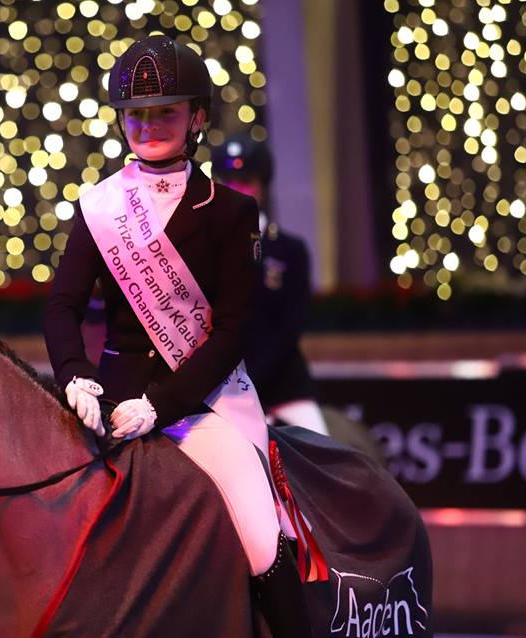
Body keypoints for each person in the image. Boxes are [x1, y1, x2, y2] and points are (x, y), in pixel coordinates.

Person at [44, 34, 312, 637]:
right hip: (109, 403)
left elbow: (235, 329)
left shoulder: (228, 211)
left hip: (202, 404)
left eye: (164, 111)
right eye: (136, 114)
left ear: (196, 118)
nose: (148, 125)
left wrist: (161, 405)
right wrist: (74, 377)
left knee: (261, 535)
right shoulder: (98, 207)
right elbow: (61, 307)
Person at [212, 135, 329, 436]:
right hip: (221, 389)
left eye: (246, 181)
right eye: (229, 181)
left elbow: (290, 325)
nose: (238, 190)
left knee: (323, 452)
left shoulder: (289, 249)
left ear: (262, 186)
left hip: (282, 390)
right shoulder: (205, 247)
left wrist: (253, 379)